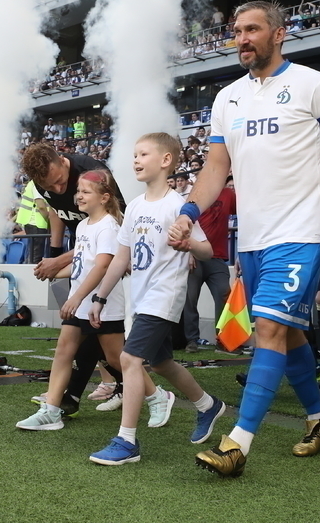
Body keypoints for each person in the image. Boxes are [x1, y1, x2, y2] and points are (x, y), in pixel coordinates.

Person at [169, 0, 320, 478]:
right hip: (253, 241)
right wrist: (188, 212)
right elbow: (216, 169)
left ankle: (237, 443)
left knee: (268, 330)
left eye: (253, 29)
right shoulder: (227, 99)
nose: (242, 38)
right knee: (291, 331)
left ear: (279, 34)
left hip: (301, 233)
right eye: (237, 31)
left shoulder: (313, 86)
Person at [86, 133, 227, 465]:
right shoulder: (134, 206)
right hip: (142, 298)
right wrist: (99, 298)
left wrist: (189, 243)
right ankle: (208, 405)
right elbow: (121, 258)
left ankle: (127, 441)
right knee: (161, 363)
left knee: (130, 360)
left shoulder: (178, 206)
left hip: (165, 296)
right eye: (134, 154)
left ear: (166, 161)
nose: (135, 160)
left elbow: (208, 250)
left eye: (143, 154)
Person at [16, 169, 133, 431]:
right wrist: (54, 271)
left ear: (104, 197)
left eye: (85, 192)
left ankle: (157, 395)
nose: (78, 195)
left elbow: (102, 266)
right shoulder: (82, 226)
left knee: (117, 360)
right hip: (81, 303)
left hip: (103, 305)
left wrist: (76, 297)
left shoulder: (109, 227)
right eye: (78, 191)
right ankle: (51, 410)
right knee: (63, 351)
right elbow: (82, 264)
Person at [182, 175, 236, 353]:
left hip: (218, 257)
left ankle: (223, 340)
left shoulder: (229, 194)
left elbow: (245, 211)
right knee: (190, 300)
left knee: (224, 295)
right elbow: (185, 224)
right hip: (195, 256)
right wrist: (189, 252)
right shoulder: (194, 195)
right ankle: (191, 340)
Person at [16, 180, 49, 264]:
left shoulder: (32, 182)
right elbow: (41, 206)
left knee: (31, 254)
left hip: (32, 223)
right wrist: (50, 219)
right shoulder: (38, 183)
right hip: (36, 223)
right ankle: (32, 275)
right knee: (35, 257)